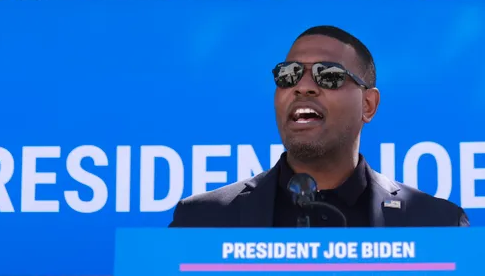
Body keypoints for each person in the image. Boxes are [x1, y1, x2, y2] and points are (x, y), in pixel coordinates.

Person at [168, 25, 469, 228]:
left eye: (329, 75)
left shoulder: (437, 224)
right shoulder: (200, 222)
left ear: (368, 105)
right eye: (289, 74)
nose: (303, 87)